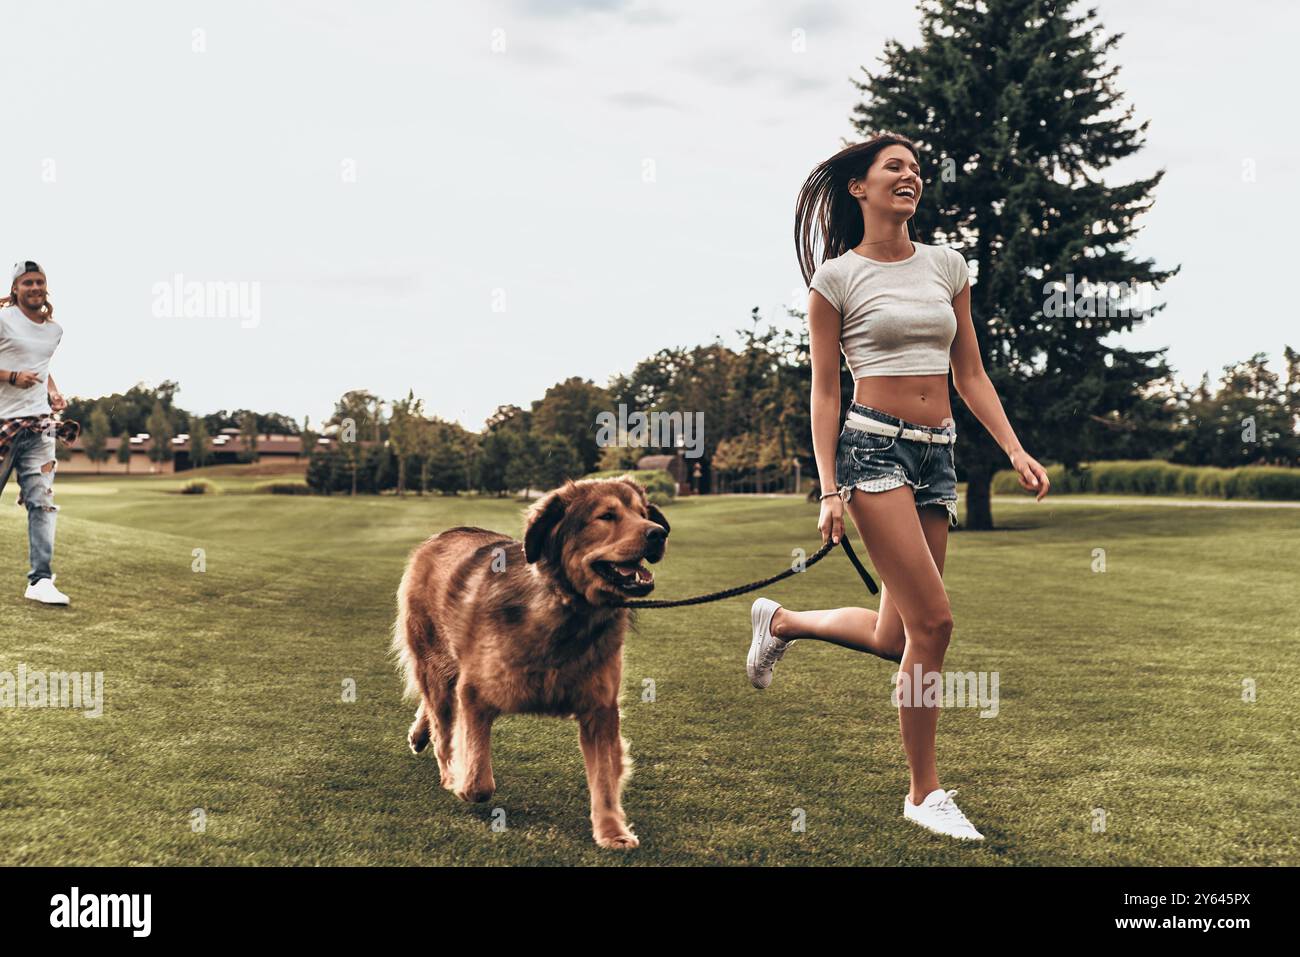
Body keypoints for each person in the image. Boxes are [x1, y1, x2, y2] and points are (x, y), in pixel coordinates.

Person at [746, 135, 1050, 841]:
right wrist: (828, 488)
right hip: (871, 448)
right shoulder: (836, 279)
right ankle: (924, 791)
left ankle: (781, 621)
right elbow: (825, 391)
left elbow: (969, 373)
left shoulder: (947, 266)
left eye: (916, 168)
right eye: (896, 166)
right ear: (859, 186)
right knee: (935, 624)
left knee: (896, 636)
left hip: (937, 455)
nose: (911, 175)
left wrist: (1012, 447)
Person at [0, 261, 78, 605]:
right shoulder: (3, 320)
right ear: (15, 289)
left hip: (39, 425)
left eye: (40, 282)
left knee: (42, 502)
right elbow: (17, 368)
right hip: (3, 424)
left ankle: (40, 581)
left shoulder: (53, 330)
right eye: (27, 282)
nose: (34, 287)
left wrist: (53, 391)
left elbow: (41, 366)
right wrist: (11, 377)